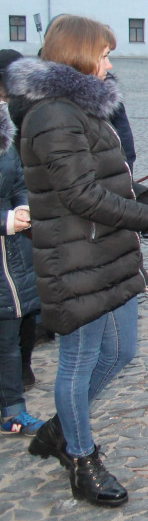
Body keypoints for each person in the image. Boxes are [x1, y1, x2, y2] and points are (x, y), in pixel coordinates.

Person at [8, 15, 148, 507]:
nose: (109, 64)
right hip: (75, 257)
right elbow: (80, 195)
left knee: (121, 352)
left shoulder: (83, 108)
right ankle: (81, 458)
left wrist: (143, 199)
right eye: (104, 55)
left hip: (108, 251)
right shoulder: (51, 114)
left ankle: (61, 428)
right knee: (80, 359)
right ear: (78, 54)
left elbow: (109, 176)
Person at [0, 81, 45, 436]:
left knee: (9, 340)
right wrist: (5, 221)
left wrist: (23, 207)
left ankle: (13, 410)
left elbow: (17, 181)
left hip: (10, 258)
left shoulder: (4, 130)